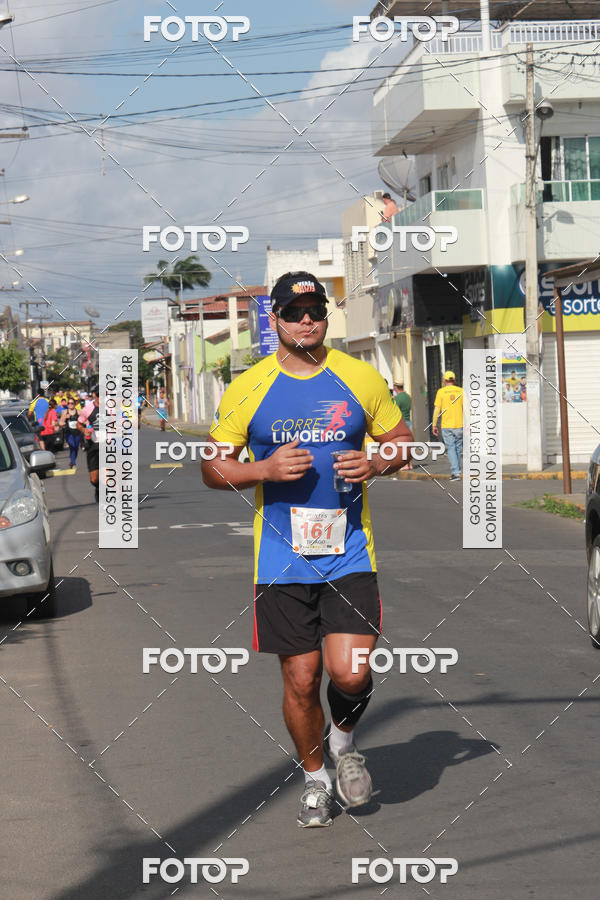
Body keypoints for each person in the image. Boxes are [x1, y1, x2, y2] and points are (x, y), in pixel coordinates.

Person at [201, 271, 414, 828]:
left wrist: (376, 463)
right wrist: (262, 470)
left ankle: (343, 742)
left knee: (349, 673)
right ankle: (316, 779)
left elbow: (402, 442)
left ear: (325, 316)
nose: (305, 321)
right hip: (280, 560)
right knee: (300, 679)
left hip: (348, 552)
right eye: (293, 313)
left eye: (314, 310)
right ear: (274, 321)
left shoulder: (359, 377)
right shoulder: (247, 388)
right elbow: (212, 467)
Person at [432, 371, 464, 481]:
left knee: (451, 448)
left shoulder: (441, 392)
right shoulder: (461, 391)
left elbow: (437, 409)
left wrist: (434, 424)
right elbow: (467, 409)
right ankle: (457, 471)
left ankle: (456, 472)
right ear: (454, 380)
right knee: (458, 449)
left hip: (446, 425)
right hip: (460, 424)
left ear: (444, 380)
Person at [77, 386, 100, 503]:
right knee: (94, 479)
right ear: (95, 396)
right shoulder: (88, 409)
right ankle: (98, 488)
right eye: (100, 395)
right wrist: (83, 430)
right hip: (92, 446)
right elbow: (79, 424)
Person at [60, 397, 81, 468]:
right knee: (72, 446)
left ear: (75, 404)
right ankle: (74, 463)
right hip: (68, 433)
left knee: (76, 448)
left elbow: (82, 421)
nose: (70, 405)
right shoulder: (65, 412)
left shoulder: (78, 412)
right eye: (69, 403)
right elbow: (61, 422)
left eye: (72, 403)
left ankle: (72, 461)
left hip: (77, 432)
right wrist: (65, 417)